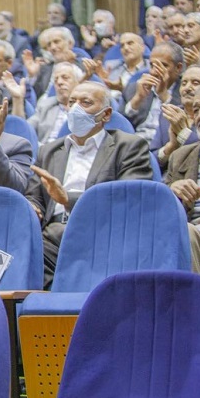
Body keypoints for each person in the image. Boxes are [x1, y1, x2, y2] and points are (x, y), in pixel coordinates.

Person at [27, 82, 154, 287]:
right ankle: (46, 305)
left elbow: (129, 199)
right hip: (53, 235)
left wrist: (68, 199)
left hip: (102, 232)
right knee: (22, 252)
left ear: (106, 114)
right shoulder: (49, 151)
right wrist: (33, 206)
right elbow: (35, 196)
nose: (76, 108)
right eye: (72, 102)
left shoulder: (128, 146)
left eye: (85, 103)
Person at [166, 85, 200, 275]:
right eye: (196, 110)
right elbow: (161, 211)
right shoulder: (180, 156)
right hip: (193, 237)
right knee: (185, 234)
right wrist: (171, 191)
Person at [120, 41, 184, 141]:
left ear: (178, 68)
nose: (154, 72)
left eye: (163, 66)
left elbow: (183, 126)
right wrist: (137, 99)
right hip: (136, 143)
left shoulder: (186, 91)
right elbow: (119, 124)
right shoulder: (134, 88)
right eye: (152, 65)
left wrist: (164, 96)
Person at [151, 64, 200, 170]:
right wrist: (171, 147)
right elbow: (151, 160)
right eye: (184, 83)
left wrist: (184, 134)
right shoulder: (170, 114)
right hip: (171, 176)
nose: (187, 88)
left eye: (195, 83)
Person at [28, 62, 83, 143]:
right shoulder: (45, 105)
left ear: (78, 82)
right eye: (56, 80)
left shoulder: (85, 109)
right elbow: (26, 129)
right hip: (44, 148)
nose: (59, 82)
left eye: (65, 78)